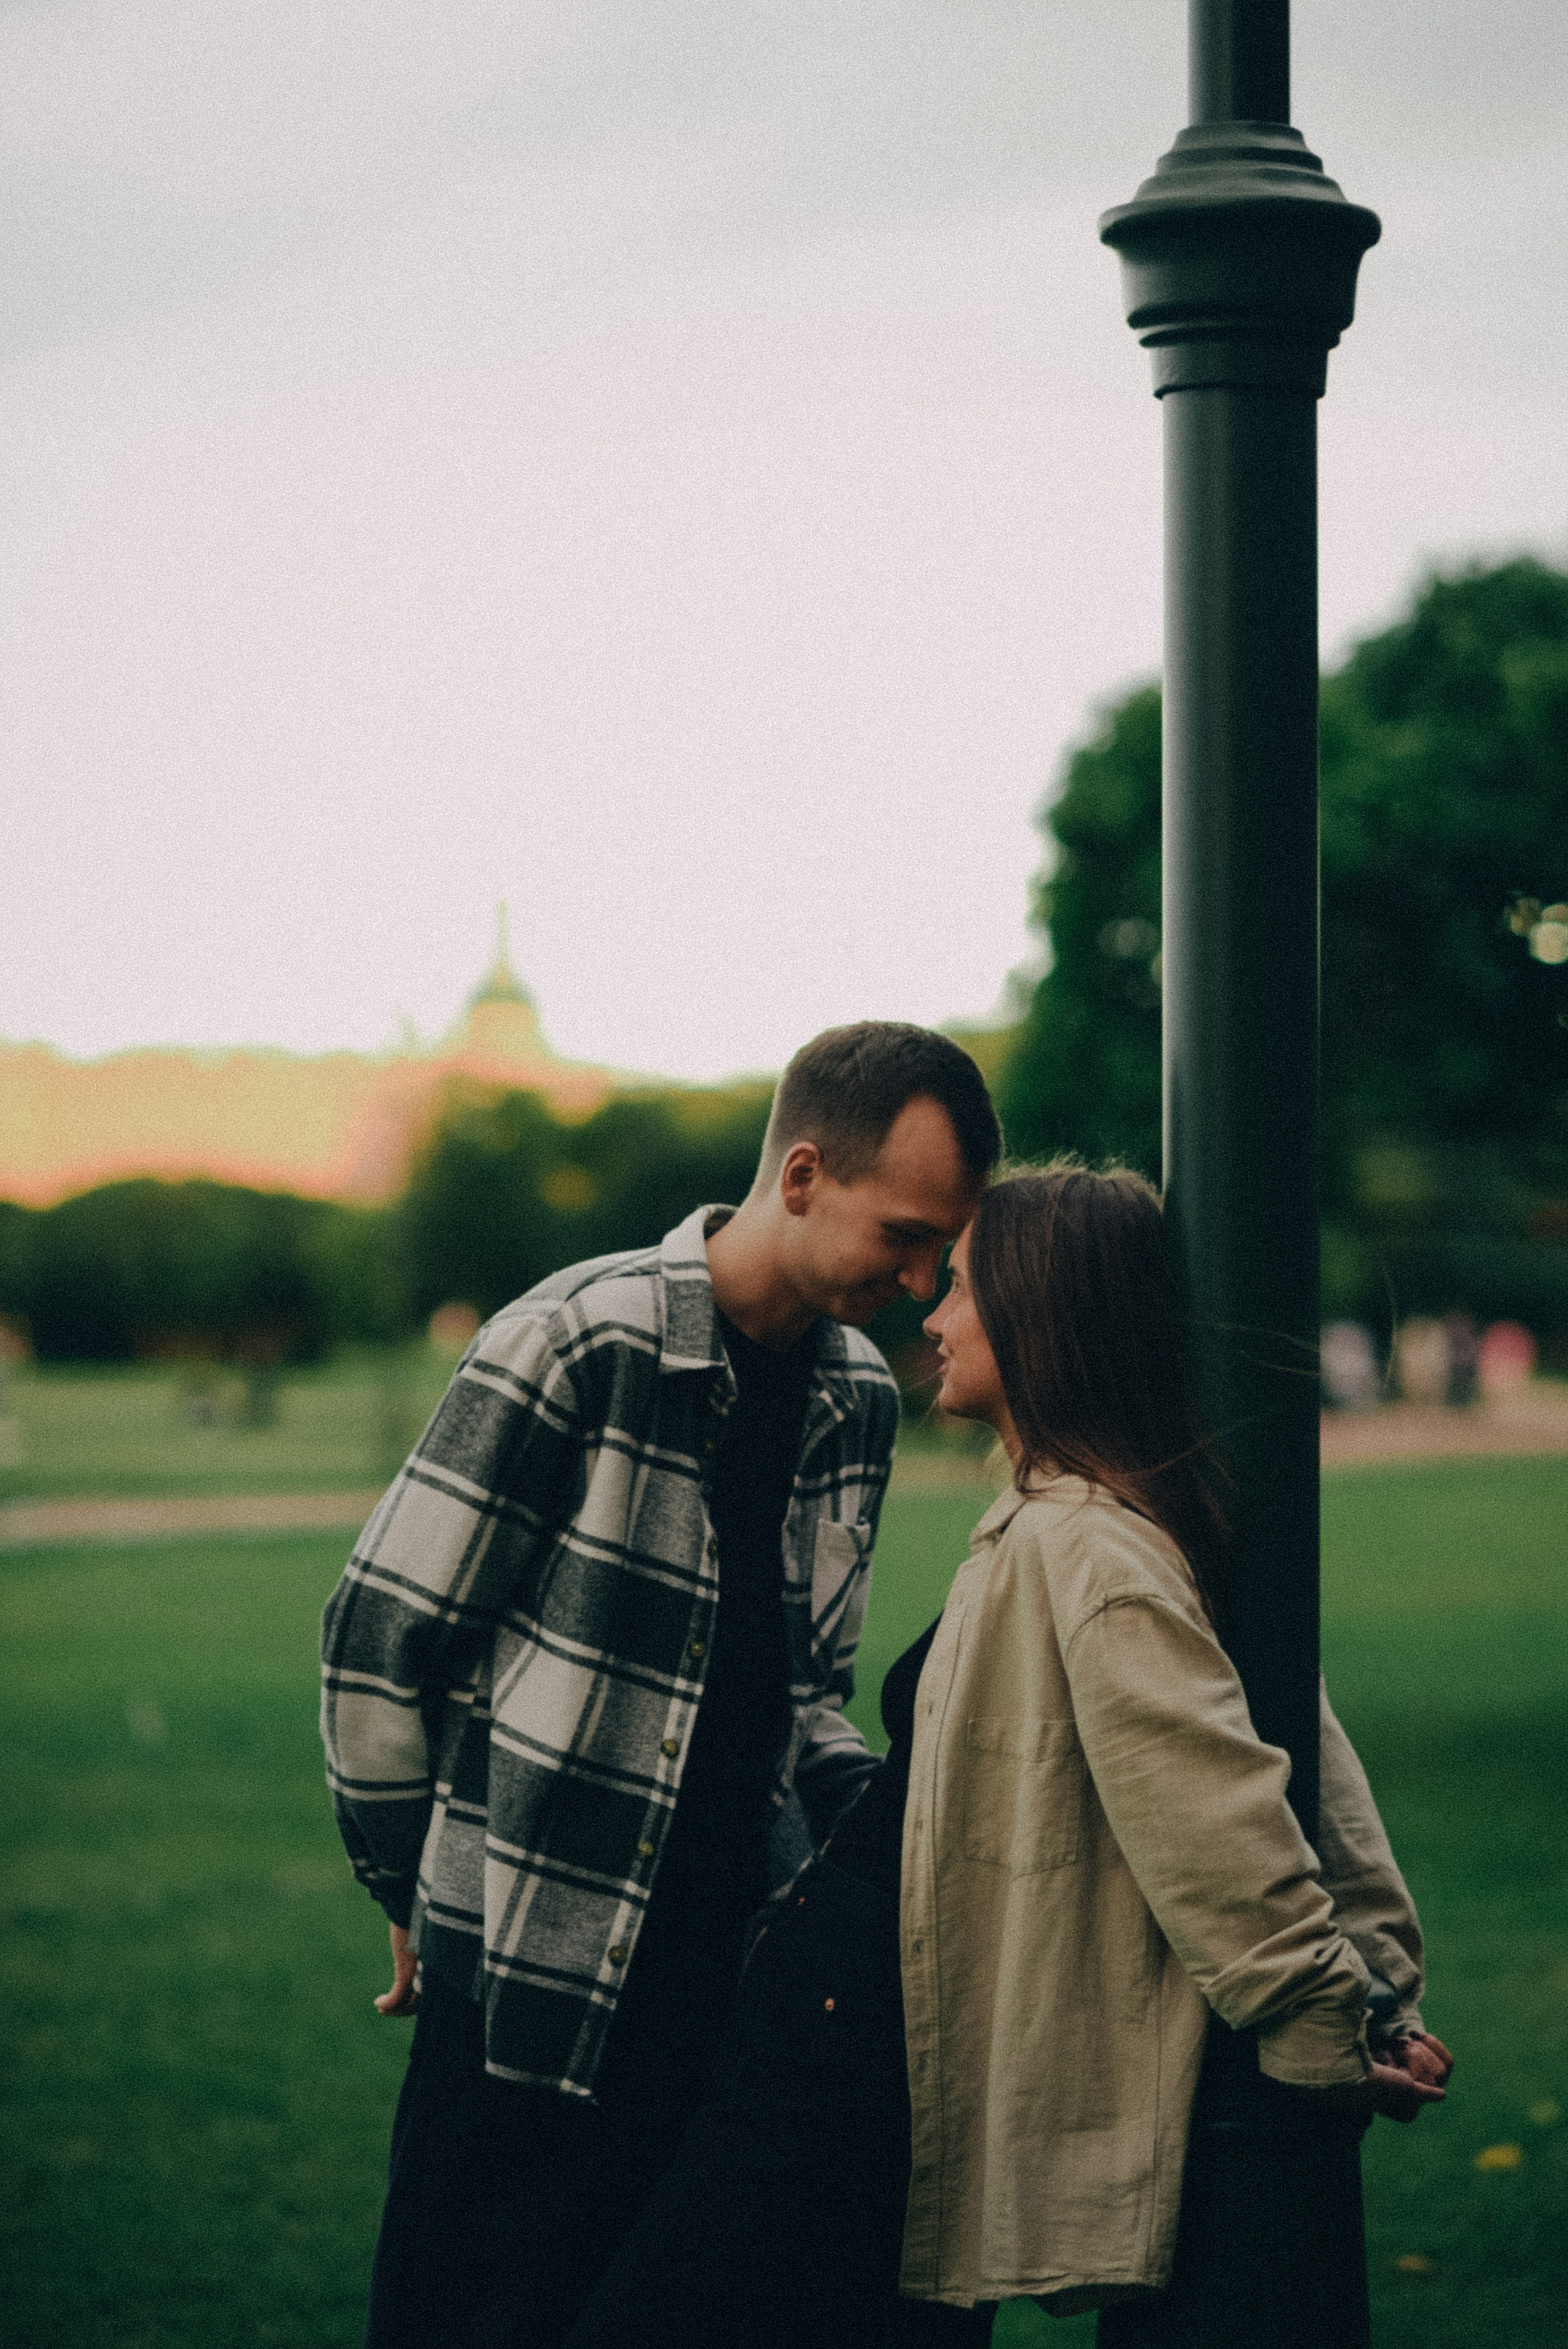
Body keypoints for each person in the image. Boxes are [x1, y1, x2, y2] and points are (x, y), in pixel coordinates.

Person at [557, 1165, 1452, 2349]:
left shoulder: (1085, 1544)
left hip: (855, 2041)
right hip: (843, 2015)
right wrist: (1376, 1992)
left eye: (965, 1285)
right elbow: (1296, 1759)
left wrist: (1338, 2026)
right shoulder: (1103, 1517)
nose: (928, 1311)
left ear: (1041, 1313)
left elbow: (1228, 1823)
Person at [319, 1021, 1003, 2349]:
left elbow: (808, 1692)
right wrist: (405, 1881)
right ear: (800, 1174)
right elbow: (379, 1634)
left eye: (940, 1250)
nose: (924, 1282)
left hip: (728, 1984)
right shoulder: (581, 1340)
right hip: (528, 1967)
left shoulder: (857, 1396)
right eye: (903, 1236)